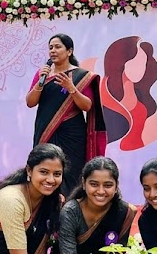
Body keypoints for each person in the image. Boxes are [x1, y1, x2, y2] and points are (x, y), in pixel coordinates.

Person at [25, 33, 106, 196]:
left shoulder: (81, 76)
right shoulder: (42, 73)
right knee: (43, 167)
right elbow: (30, 102)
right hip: (45, 129)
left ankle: (70, 208)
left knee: (71, 170)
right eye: (50, 48)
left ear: (69, 51)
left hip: (72, 133)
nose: (53, 51)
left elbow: (87, 106)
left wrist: (71, 88)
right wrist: (42, 80)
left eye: (57, 47)